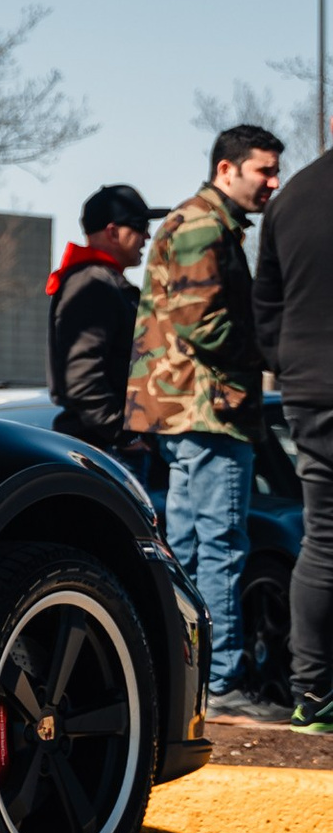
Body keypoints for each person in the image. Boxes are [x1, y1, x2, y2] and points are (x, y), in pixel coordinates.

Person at [128, 122, 284, 717]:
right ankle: (221, 684)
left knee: (191, 550)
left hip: (188, 410)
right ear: (227, 170)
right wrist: (274, 349)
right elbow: (204, 325)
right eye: (263, 170)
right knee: (218, 548)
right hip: (208, 411)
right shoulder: (202, 225)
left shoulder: (202, 223)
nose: (273, 182)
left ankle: (189, 684)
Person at [256, 131, 333, 730]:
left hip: (308, 390)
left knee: (323, 541)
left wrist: (289, 367)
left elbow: (266, 306)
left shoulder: (290, 199)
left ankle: (313, 693)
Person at [46, 187, 154, 470]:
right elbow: (82, 377)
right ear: (113, 231)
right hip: (106, 451)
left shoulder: (100, 281)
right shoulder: (92, 283)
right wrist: (123, 434)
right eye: (141, 226)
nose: (148, 236)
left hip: (107, 448)